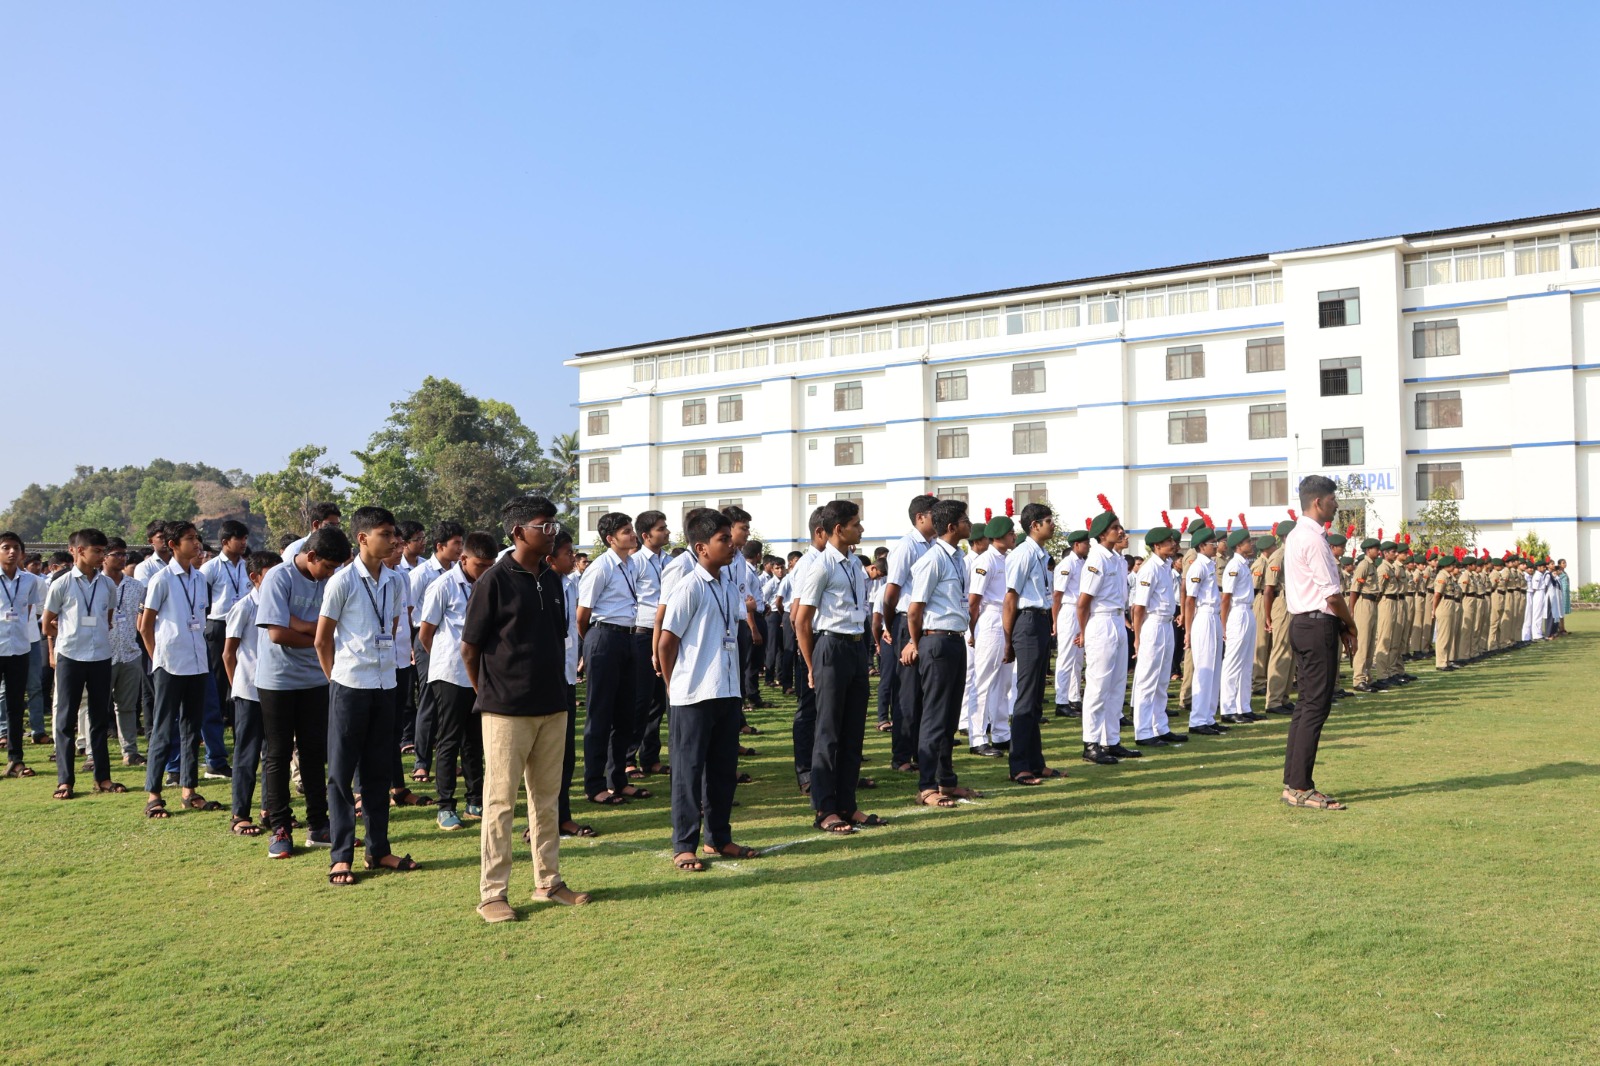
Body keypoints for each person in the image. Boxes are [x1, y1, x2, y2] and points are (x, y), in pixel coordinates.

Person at [462, 495, 589, 922]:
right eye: (544, 525)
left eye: (554, 524)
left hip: (553, 704)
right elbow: (470, 647)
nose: (553, 532)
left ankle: (548, 882)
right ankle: (492, 894)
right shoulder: (493, 581)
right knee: (500, 802)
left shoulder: (552, 579)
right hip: (505, 710)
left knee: (547, 799)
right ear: (518, 532)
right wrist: (489, 693)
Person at [315, 505, 418, 886]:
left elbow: (391, 626)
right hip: (349, 686)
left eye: (394, 534)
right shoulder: (341, 581)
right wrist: (336, 681)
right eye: (385, 534)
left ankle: (378, 849)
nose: (393, 541)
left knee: (378, 772)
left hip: (385, 684)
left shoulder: (395, 581)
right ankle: (341, 856)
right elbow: (322, 639)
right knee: (341, 775)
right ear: (363, 538)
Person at [659, 508, 765, 869]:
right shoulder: (688, 586)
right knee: (688, 772)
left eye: (730, 539)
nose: (732, 545)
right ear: (702, 547)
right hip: (693, 694)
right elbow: (667, 642)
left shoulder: (727, 586)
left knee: (722, 770)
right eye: (723, 540)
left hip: (727, 691)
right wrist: (673, 686)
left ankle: (718, 838)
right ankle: (684, 844)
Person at [256, 525, 350, 856]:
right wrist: (319, 637)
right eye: (327, 566)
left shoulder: (330, 580)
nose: (331, 573)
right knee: (279, 754)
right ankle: (280, 827)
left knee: (313, 753)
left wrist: (300, 623)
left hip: (316, 678)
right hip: (277, 680)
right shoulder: (278, 577)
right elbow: (277, 634)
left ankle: (319, 824)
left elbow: (334, 627)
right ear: (311, 556)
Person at [793, 498, 881, 834]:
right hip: (830, 647)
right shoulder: (821, 566)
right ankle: (825, 808)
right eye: (856, 524)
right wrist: (811, 664)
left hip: (855, 647)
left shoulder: (853, 564)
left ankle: (847, 803)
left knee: (853, 731)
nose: (861, 529)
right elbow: (802, 620)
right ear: (838, 529)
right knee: (828, 732)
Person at [1281, 475, 1358, 810]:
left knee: (1306, 706)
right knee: (1315, 706)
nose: (1336, 505)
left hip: (1304, 623)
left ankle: (1293, 782)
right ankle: (1300, 786)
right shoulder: (1312, 539)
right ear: (1318, 502)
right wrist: (1350, 625)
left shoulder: (1297, 535)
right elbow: (1332, 594)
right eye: (1332, 499)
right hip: (1316, 625)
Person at [138, 521, 224, 818]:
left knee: (191, 729)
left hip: (197, 662)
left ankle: (189, 790)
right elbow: (145, 625)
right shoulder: (161, 579)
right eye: (190, 539)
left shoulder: (200, 578)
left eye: (197, 538)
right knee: (164, 729)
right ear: (173, 545)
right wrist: (157, 660)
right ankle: (153, 794)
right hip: (170, 664)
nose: (197, 543)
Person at [419, 531, 497, 831]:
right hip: (450, 674)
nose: (485, 571)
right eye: (480, 565)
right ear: (463, 559)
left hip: (480, 673)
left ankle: (475, 800)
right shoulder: (443, 586)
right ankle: (445, 806)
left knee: (475, 740)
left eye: (489, 565)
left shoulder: (489, 584)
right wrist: (446, 660)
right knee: (449, 740)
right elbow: (425, 634)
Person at [903, 498, 977, 808]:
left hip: (955, 640)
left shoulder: (958, 558)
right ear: (951, 526)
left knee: (949, 717)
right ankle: (927, 786)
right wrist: (916, 642)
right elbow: (915, 610)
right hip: (936, 641)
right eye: (965, 520)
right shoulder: (933, 559)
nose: (969, 524)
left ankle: (946, 780)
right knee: (934, 716)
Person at [42, 529, 120, 798]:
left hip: (100, 656)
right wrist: (69, 634)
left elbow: (107, 619)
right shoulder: (61, 583)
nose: (101, 556)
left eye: (103, 551)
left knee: (99, 719)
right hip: (70, 657)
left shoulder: (107, 584)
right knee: (65, 720)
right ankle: (65, 781)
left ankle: (103, 778)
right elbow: (46, 625)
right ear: (77, 550)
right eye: (96, 551)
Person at [577, 511, 647, 805]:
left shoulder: (629, 564)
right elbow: (582, 615)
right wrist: (594, 643)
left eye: (631, 529)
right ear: (610, 539)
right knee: (600, 714)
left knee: (625, 714)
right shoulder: (600, 568)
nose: (633, 535)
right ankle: (594, 784)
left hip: (628, 637)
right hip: (604, 636)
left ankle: (617, 779)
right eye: (626, 531)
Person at [1001, 503, 1064, 785]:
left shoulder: (1040, 554)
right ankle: (1019, 766)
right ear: (1034, 525)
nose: (1053, 525)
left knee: (1036, 697)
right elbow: (1010, 598)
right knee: (1025, 697)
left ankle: (1036, 763)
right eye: (1048, 521)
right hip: (1026, 621)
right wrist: (1008, 640)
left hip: (1039, 620)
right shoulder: (1022, 554)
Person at [1075, 496, 1141, 764]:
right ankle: (1091, 743)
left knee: (1116, 684)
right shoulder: (1097, 559)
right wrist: (1083, 632)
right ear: (1102, 534)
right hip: (1100, 622)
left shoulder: (1116, 559)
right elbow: (1083, 602)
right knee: (1098, 685)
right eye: (1115, 528)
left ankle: (1111, 740)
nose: (1121, 531)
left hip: (1116, 620)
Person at [222, 550, 280, 837]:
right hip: (248, 691)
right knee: (247, 754)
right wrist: (238, 686)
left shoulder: (280, 604)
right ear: (255, 577)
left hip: (276, 689)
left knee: (274, 754)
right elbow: (228, 653)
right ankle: (240, 814)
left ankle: (270, 810)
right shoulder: (244, 607)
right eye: (271, 575)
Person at [883, 494, 937, 774]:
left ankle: (920, 750)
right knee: (906, 691)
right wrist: (892, 625)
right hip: (906, 621)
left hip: (927, 622)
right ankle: (901, 755)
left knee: (924, 691)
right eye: (934, 514)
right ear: (920, 517)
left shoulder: (934, 545)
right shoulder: (907, 546)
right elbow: (891, 592)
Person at [547, 530, 595, 839]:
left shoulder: (570, 584)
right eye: (568, 553)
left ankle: (562, 816)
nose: (573, 558)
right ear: (550, 557)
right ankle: (539, 820)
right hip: (543, 682)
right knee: (543, 758)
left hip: (565, 679)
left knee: (565, 756)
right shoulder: (539, 585)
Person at [408, 521, 464, 782]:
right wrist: (414, 647)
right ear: (440, 546)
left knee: (451, 703)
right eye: (456, 543)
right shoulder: (422, 573)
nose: (460, 548)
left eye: (462, 543)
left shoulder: (459, 572)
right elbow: (408, 610)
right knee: (429, 700)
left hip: (451, 642)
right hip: (426, 638)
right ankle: (421, 762)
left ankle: (448, 760)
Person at [200, 519, 251, 779]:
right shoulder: (210, 568)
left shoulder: (247, 566)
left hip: (244, 627)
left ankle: (243, 746)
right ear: (224, 542)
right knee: (217, 692)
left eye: (245, 538)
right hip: (219, 627)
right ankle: (214, 758)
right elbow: (201, 602)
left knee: (241, 687)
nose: (243, 543)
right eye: (238, 538)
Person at [1130, 523, 1186, 747]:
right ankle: (1143, 731)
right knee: (1147, 680)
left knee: (1162, 679)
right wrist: (1137, 637)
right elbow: (1139, 607)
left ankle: (1160, 727)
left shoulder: (1166, 566)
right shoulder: (1150, 568)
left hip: (1166, 624)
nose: (1173, 544)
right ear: (1156, 546)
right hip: (1152, 624)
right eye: (1168, 542)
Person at [625, 510, 671, 779]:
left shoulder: (671, 561)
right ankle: (627, 758)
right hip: (642, 634)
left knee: (659, 700)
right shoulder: (636, 563)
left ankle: (650, 757)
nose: (666, 532)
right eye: (661, 528)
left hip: (666, 633)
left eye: (665, 527)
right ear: (646, 535)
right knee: (640, 699)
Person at [1, 532, 44, 778]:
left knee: (16, 706)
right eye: (6, 547)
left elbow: (28, 611)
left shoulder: (29, 580)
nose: (11, 552)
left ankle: (15, 760)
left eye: (16, 547)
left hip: (19, 649)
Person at [964, 519, 1008, 757]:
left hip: (1006, 617)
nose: (1014, 536)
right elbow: (974, 601)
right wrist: (972, 631)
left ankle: (1001, 733)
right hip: (990, 617)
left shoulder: (1006, 559)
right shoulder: (985, 561)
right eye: (1010, 532)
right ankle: (978, 738)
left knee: (1003, 681)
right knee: (983, 680)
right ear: (998, 536)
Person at [101, 537, 146, 766]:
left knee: (127, 706)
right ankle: (92, 753)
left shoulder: (136, 586)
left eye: (123, 554)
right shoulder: (96, 584)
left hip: (129, 652)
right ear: (104, 557)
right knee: (96, 707)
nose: (122, 558)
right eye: (116, 554)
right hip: (102, 654)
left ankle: (130, 751)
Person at [1183, 521, 1225, 735]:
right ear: (1201, 546)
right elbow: (1190, 599)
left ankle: (1208, 716)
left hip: (1214, 616)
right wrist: (1188, 630)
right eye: (1212, 543)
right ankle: (1197, 719)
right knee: (1204, 668)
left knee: (1215, 669)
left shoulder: (1209, 565)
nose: (1216, 546)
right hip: (1203, 617)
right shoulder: (1197, 566)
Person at [1218, 524, 1261, 726]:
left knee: (1246, 663)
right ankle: (1228, 709)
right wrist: (1224, 624)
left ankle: (1244, 707)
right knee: (1233, 662)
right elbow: (1226, 597)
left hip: (1247, 611)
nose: (1250, 545)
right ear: (1238, 546)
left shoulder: (1243, 565)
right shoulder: (1233, 566)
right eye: (1247, 542)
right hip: (1237, 613)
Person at [1050, 527, 1090, 717]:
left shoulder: (1083, 563)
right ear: (1076, 544)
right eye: (1086, 543)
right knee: (1066, 657)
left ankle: (1074, 697)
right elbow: (1057, 595)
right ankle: (1061, 701)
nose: (1088, 546)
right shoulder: (1066, 564)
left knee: (1077, 658)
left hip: (1081, 611)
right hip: (1068, 610)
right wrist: (1055, 620)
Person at [1347, 535, 1382, 691]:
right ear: (1368, 550)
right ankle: (1358, 679)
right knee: (1362, 642)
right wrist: (1352, 611)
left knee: (1370, 642)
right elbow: (1355, 590)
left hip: (1372, 603)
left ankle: (1367, 677)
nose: (1378, 551)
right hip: (1364, 603)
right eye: (1376, 549)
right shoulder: (1363, 565)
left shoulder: (1372, 565)